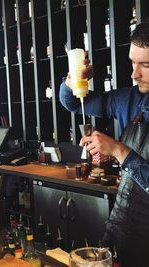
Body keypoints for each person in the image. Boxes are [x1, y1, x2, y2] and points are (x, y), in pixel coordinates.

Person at [59, 19, 149, 267]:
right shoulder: (127, 99)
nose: (134, 73)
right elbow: (74, 103)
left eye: (146, 65)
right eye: (133, 62)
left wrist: (118, 150)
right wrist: (74, 81)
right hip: (120, 226)